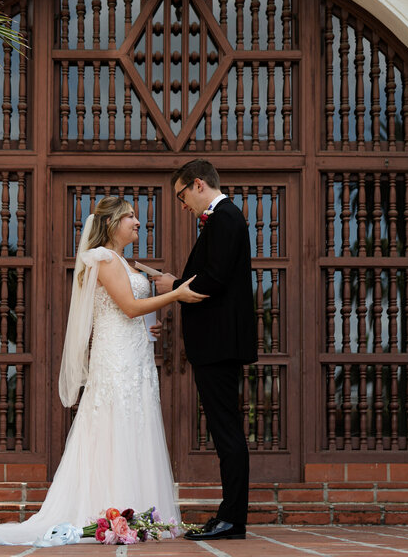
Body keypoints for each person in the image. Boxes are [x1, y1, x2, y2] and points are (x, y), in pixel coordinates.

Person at [0, 196, 204, 546]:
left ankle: (137, 513)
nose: (137, 222)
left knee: (136, 425)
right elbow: (130, 306)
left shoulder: (125, 262)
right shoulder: (103, 259)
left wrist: (149, 329)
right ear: (111, 224)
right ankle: (108, 511)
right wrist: (176, 294)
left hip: (135, 355)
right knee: (112, 426)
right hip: (115, 360)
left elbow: (129, 314)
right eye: (130, 217)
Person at [155, 159, 258, 541]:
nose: (183, 206)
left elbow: (213, 279)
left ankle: (232, 519)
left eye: (182, 196)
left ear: (198, 185)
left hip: (219, 345)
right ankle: (230, 516)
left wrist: (173, 286)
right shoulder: (223, 218)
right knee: (224, 430)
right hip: (216, 344)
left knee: (227, 432)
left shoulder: (227, 217)